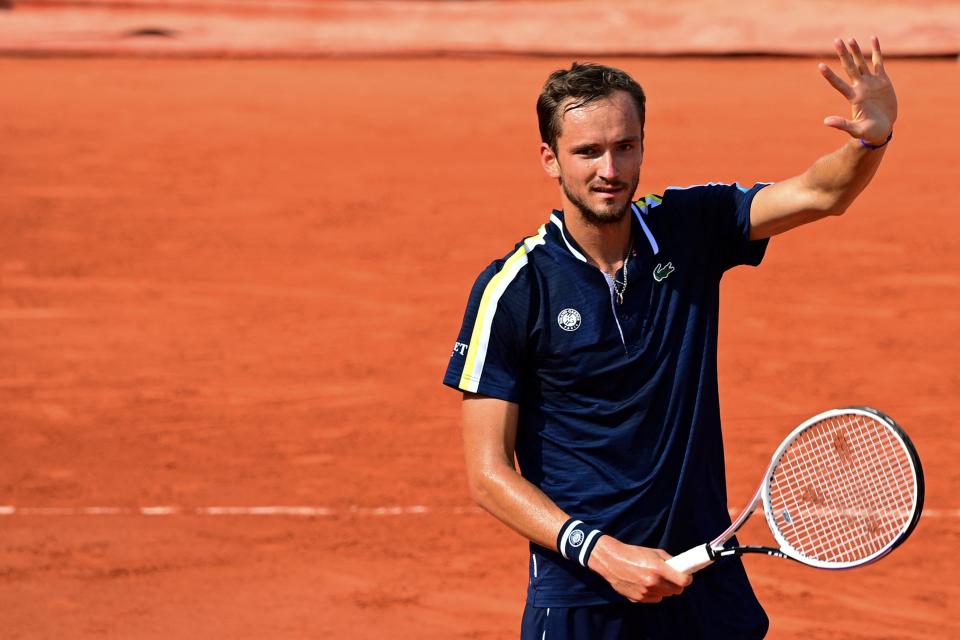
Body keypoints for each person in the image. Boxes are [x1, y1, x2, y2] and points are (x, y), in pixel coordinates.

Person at [443, 36, 896, 639]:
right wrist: (602, 553)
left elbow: (822, 192)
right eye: (588, 152)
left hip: (704, 583)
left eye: (625, 147)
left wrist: (871, 139)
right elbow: (487, 473)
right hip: (583, 594)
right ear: (550, 158)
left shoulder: (689, 228)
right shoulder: (515, 290)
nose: (610, 171)